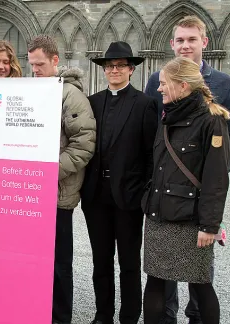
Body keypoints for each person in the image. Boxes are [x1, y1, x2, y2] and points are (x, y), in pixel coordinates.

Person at [144, 15, 230, 324]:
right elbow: (152, 134)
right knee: (160, 278)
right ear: (172, 43)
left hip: (196, 200)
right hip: (163, 201)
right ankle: (168, 317)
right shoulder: (158, 82)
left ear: (204, 42)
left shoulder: (223, 85)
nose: (185, 45)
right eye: (180, 40)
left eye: (191, 39)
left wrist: (209, 179)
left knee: (200, 279)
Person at [81, 41, 158, 324]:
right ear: (104, 70)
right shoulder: (93, 102)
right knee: (101, 261)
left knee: (128, 263)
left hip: (128, 198)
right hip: (96, 196)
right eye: (109, 66)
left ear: (131, 70)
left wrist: (144, 193)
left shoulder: (145, 104)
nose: (114, 70)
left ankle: (129, 317)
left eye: (120, 66)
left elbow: (151, 154)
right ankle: (103, 314)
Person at [27, 35, 96, 324]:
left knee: (58, 263)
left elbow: (84, 142)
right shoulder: (33, 91)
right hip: (31, 190)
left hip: (56, 194)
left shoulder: (70, 95)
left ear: (55, 60)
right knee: (33, 260)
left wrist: (48, 173)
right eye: (31, 65)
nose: (35, 70)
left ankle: (59, 317)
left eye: (40, 64)